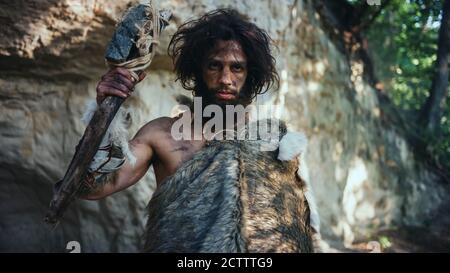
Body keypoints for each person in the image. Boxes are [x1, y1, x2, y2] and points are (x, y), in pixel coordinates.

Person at [79, 8, 324, 252]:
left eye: (237, 68)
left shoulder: (276, 142)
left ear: (251, 75)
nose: (226, 79)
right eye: (214, 66)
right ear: (197, 71)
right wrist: (104, 110)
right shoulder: (162, 135)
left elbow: (301, 230)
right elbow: (91, 187)